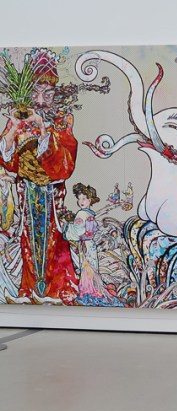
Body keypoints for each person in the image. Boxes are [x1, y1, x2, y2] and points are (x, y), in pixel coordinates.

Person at [0, 48, 78, 304]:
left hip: (51, 194)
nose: (41, 100)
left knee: (55, 240)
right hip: (27, 192)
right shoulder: (18, 120)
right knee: (27, 239)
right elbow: (8, 161)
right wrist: (13, 130)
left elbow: (66, 163)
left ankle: (57, 290)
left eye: (48, 94)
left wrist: (43, 128)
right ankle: (29, 289)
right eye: (35, 93)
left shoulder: (62, 121)